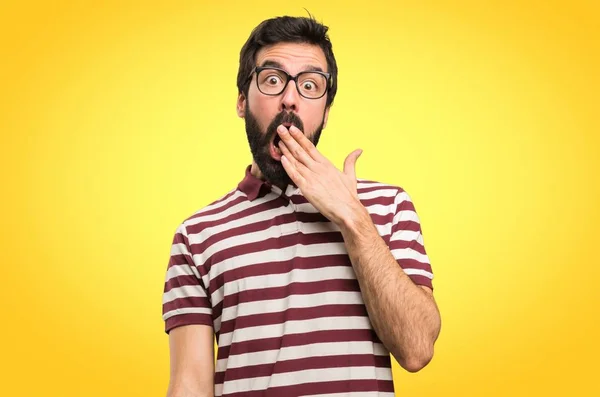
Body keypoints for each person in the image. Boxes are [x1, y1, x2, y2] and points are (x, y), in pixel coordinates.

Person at [162, 14, 441, 397]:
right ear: (243, 101)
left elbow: (416, 349)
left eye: (310, 85)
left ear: (325, 110)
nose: (290, 98)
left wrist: (352, 216)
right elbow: (189, 385)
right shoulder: (197, 235)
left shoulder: (388, 207)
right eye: (273, 80)